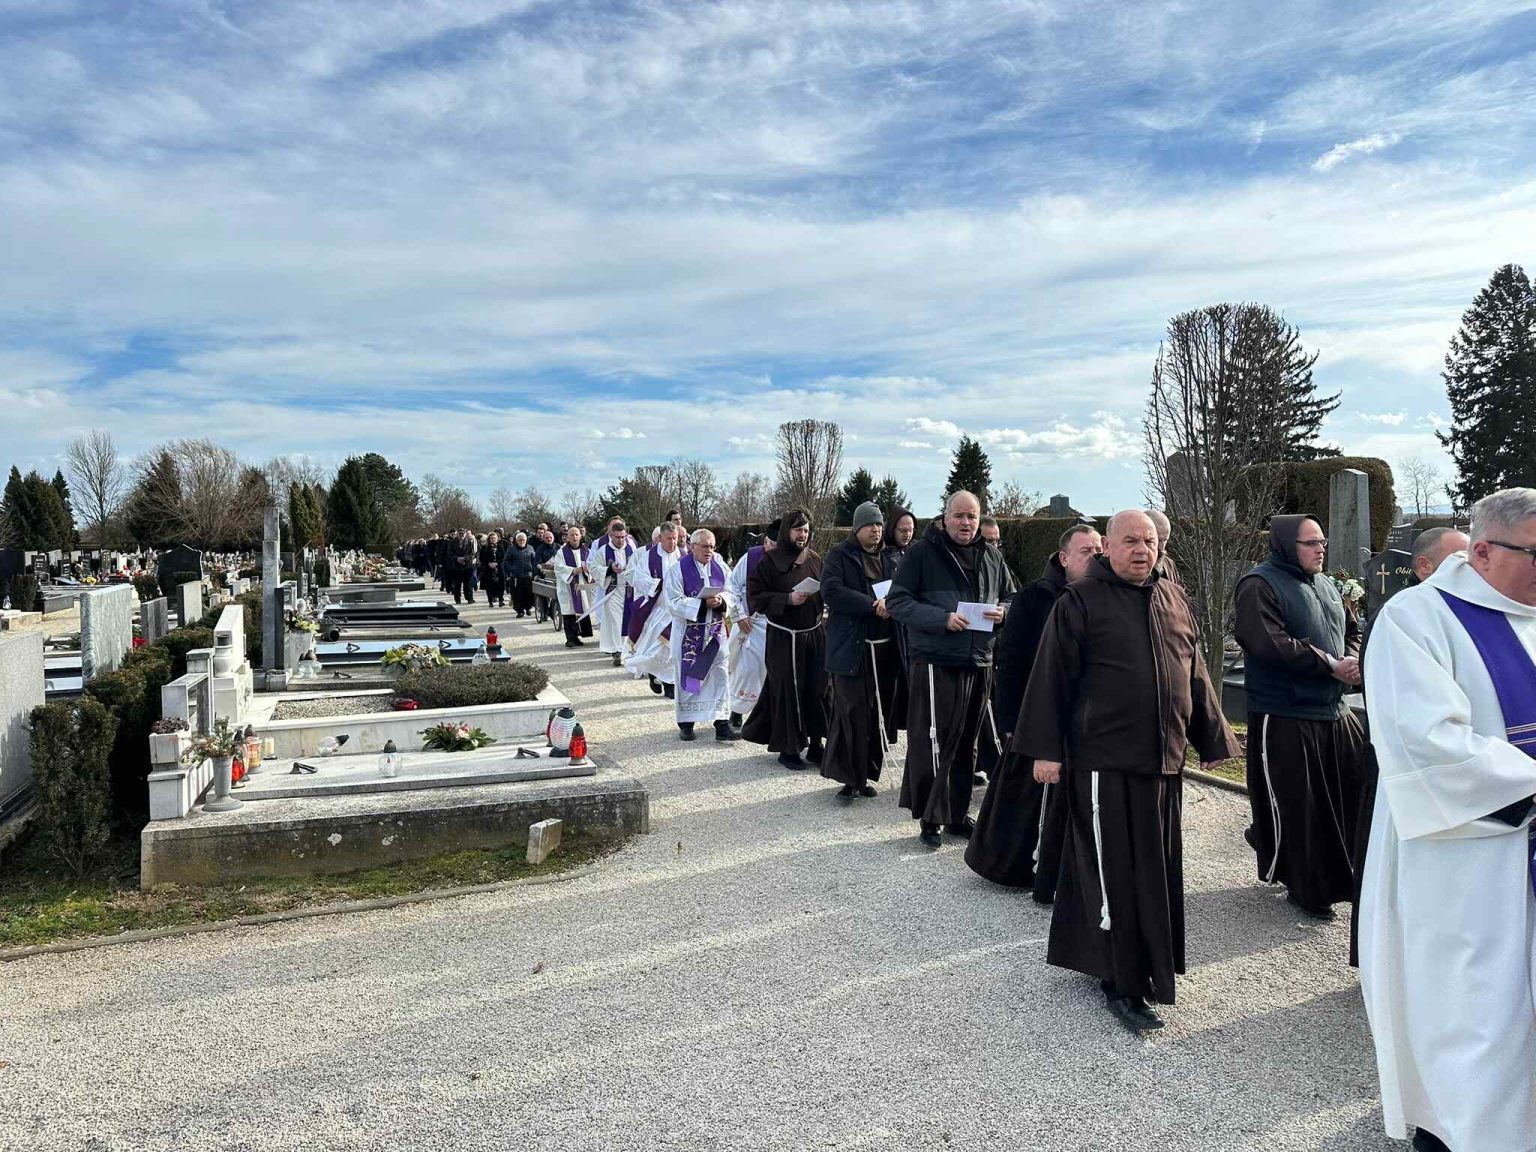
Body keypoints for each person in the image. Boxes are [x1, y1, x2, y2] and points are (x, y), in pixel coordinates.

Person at [1357, 488, 1536, 1152]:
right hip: (1469, 861)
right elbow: (1428, 744)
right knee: (1477, 1017)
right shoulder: (1417, 619)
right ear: (1483, 551)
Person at [1017, 510, 1238, 1032]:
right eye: (1131, 541)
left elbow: (1193, 670)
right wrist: (1046, 751)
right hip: (1105, 762)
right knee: (1113, 870)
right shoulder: (1079, 602)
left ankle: (1146, 961)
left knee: (1153, 870)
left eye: (1150, 541)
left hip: (1162, 761)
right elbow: (1051, 677)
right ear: (1108, 548)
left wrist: (1211, 735)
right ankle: (1121, 979)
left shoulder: (1172, 597)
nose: (1143, 550)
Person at [1234, 515, 1366, 919]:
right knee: (1301, 808)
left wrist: (1352, 659)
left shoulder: (1327, 585)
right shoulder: (1259, 584)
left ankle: (1335, 873)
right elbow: (1268, 642)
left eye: (1322, 541)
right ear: (1286, 545)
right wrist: (1328, 664)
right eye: (1310, 543)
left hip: (1334, 712)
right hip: (1286, 714)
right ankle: (1307, 887)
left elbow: (1351, 630)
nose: (1320, 549)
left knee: (1345, 802)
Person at [967, 523, 1102, 896]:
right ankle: (1012, 865)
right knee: (1024, 797)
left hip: (1084, 720)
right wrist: (1009, 719)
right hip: (1035, 714)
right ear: (1064, 557)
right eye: (1086, 552)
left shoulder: (1103, 595)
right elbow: (1009, 662)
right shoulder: (1033, 598)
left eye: (1098, 551)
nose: (1095, 558)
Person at [887, 491, 1016, 848]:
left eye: (972, 516)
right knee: (934, 740)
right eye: (959, 515)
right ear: (944, 518)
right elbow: (897, 602)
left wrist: (1004, 612)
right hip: (936, 658)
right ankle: (931, 818)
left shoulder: (992, 556)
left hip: (979, 659)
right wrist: (941, 619)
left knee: (967, 743)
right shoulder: (922, 553)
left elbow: (1012, 596)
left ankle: (957, 813)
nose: (965, 522)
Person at [820, 502, 903, 800]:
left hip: (885, 650)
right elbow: (831, 590)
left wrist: (892, 603)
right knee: (851, 712)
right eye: (870, 524)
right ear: (857, 528)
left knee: (877, 713)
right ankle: (849, 778)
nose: (876, 529)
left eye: (879, 524)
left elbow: (905, 590)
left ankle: (867, 773)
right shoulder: (839, 555)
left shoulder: (892, 557)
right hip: (851, 649)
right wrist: (871, 605)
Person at [742, 510, 827, 766]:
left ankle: (816, 744)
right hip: (784, 638)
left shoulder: (814, 558)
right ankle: (788, 749)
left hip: (813, 635)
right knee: (787, 691)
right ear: (787, 531)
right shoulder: (769, 562)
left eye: (806, 530)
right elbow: (756, 597)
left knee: (817, 689)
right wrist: (787, 599)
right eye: (798, 529)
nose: (803, 535)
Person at [663, 528, 737, 741]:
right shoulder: (678, 570)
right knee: (689, 676)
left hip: (715, 633)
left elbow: (732, 592)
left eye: (712, 546)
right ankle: (686, 723)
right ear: (692, 546)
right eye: (705, 546)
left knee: (720, 676)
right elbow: (673, 602)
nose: (709, 551)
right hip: (689, 634)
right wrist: (702, 604)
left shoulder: (720, 567)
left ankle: (722, 724)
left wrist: (721, 601)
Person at [726, 525, 776, 728]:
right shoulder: (751, 558)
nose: (774, 549)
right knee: (747, 669)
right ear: (765, 542)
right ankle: (737, 711)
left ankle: (769, 718)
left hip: (778, 625)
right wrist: (739, 615)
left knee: (774, 672)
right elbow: (732, 586)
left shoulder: (792, 559)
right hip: (751, 622)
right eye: (771, 544)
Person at [625, 522, 683, 697]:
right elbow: (638, 578)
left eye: (675, 538)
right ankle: (653, 674)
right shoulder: (648, 557)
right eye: (668, 539)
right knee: (656, 647)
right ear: (660, 538)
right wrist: (658, 584)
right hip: (657, 608)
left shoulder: (683, 555)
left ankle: (670, 683)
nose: (672, 542)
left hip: (677, 610)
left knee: (672, 647)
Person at [591, 518, 638, 667]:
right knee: (615, 621)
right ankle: (617, 652)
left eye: (623, 537)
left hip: (629, 590)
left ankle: (628, 650)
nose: (620, 540)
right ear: (611, 536)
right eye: (617, 537)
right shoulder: (603, 550)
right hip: (613, 590)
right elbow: (594, 568)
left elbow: (639, 566)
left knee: (629, 620)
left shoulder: (632, 549)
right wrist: (610, 569)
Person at [551, 525, 595, 647]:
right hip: (568, 587)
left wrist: (587, 570)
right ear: (567, 538)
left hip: (583, 586)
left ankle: (581, 634)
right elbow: (558, 568)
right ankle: (571, 639)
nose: (574, 537)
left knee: (583, 608)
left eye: (576, 534)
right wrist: (573, 571)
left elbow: (593, 564)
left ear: (580, 536)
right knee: (569, 612)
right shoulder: (561, 552)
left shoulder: (587, 551)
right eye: (572, 535)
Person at [502, 531, 537, 618]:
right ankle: (519, 611)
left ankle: (528, 608)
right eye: (519, 539)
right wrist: (512, 569)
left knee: (528, 594)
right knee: (517, 595)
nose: (521, 541)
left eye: (523, 539)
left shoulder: (530, 548)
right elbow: (506, 562)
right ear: (516, 540)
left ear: (526, 540)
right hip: (516, 577)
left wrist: (534, 572)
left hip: (528, 576)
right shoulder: (511, 549)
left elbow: (534, 561)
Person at [1147, 509, 1182, 586]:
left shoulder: (1169, 564)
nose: (1161, 546)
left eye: (1165, 540)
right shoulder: (1132, 565)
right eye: (1158, 540)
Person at [531, 525, 559, 623]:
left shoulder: (558, 547)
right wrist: (538, 571)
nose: (549, 539)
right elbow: (536, 562)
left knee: (556, 595)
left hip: (556, 574)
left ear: (553, 538)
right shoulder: (540, 549)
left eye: (550, 537)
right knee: (544, 594)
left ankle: (553, 611)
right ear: (544, 538)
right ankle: (544, 612)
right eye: (547, 538)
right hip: (544, 574)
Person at [445, 528, 476, 605]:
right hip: (456, 566)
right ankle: (457, 599)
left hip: (467, 565)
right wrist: (457, 558)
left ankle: (469, 598)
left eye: (462, 534)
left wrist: (465, 558)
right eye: (460, 534)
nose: (461, 535)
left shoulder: (469, 542)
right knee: (457, 584)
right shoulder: (452, 542)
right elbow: (449, 553)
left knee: (468, 584)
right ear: (457, 534)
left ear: (465, 534)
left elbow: (472, 554)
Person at [479, 531, 509, 609]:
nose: (493, 540)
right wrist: (488, 563)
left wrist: (497, 563)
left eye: (494, 538)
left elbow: (504, 557)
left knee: (501, 584)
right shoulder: (485, 547)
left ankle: (501, 600)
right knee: (489, 586)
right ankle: (490, 601)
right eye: (491, 538)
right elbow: (481, 558)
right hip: (488, 568)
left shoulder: (500, 547)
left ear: (497, 539)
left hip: (499, 568)